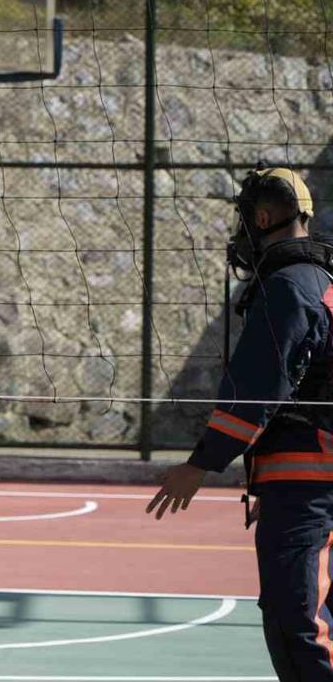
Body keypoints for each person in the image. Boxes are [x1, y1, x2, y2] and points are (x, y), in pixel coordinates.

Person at [147, 167, 333, 681]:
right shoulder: (321, 281)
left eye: (244, 220)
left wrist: (201, 464)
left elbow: (257, 385)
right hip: (315, 475)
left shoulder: (287, 288)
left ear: (263, 217)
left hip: (307, 480)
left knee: (297, 618)